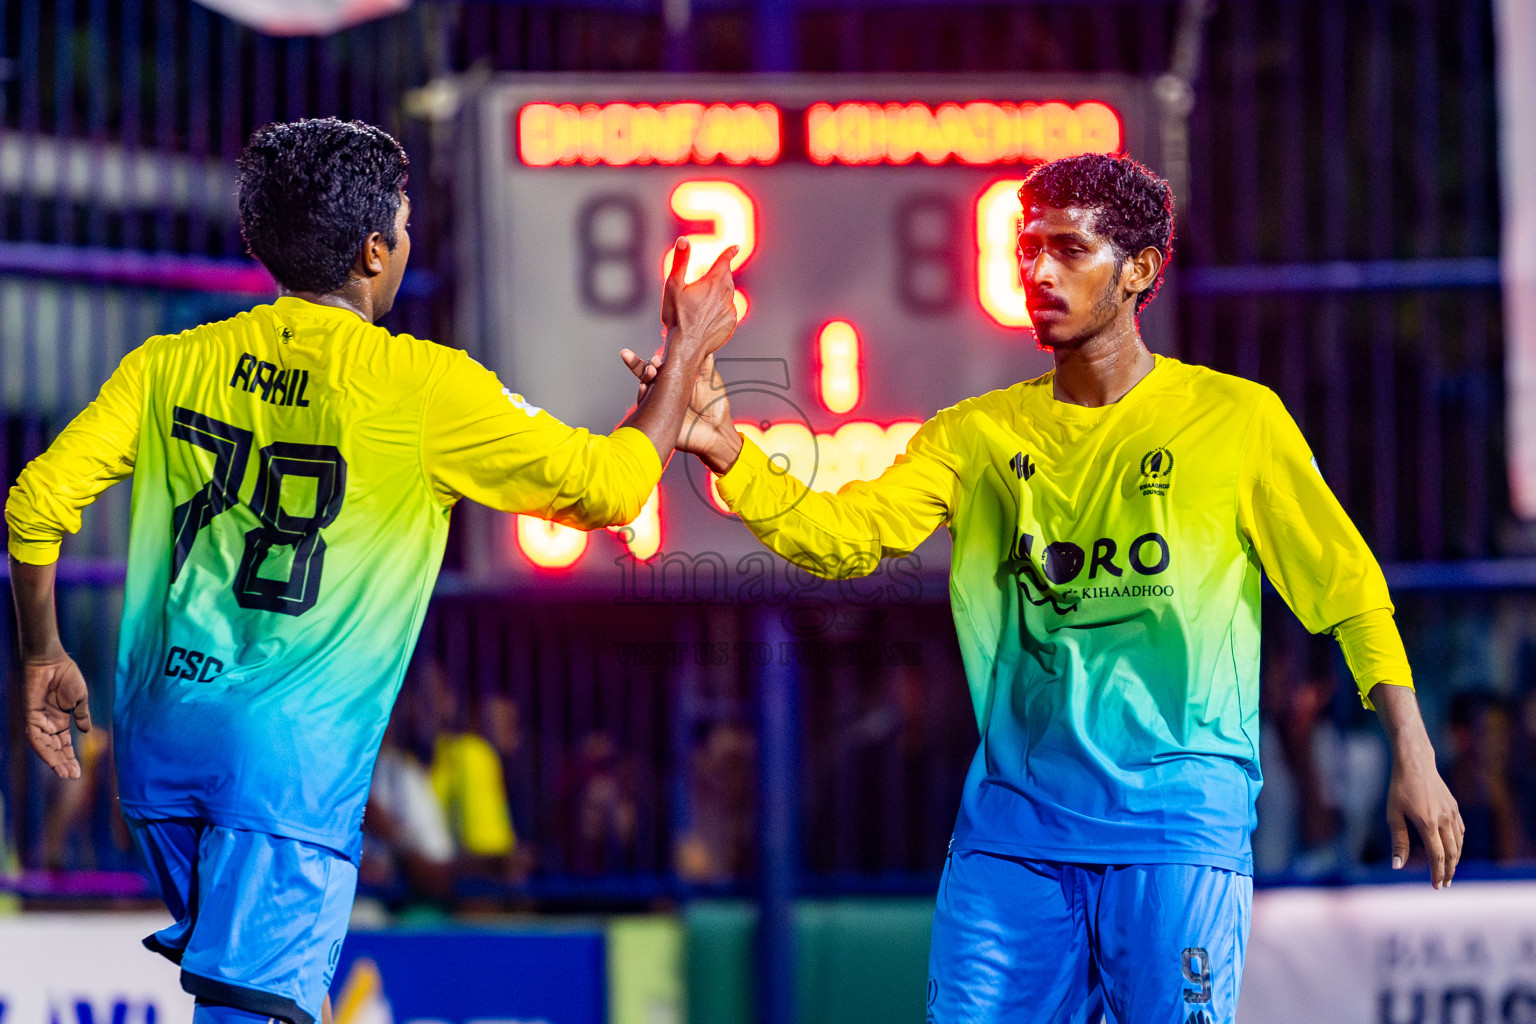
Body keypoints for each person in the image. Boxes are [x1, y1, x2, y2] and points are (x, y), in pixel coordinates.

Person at [624, 153, 1462, 1024]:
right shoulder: (976, 435)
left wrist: (1413, 748)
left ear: (1139, 270)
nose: (1038, 272)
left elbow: (1347, 586)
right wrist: (726, 448)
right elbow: (843, 540)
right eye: (1029, 249)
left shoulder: (1237, 421)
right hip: (1012, 838)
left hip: (1175, 831)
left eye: (1068, 248)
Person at [7, 117, 736, 1024]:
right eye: (401, 223)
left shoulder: (168, 365)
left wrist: (43, 653)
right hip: (285, 775)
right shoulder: (424, 386)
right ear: (370, 253)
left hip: (159, 756)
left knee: (245, 1000)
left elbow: (35, 506)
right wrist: (689, 349)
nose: (406, 240)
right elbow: (613, 487)